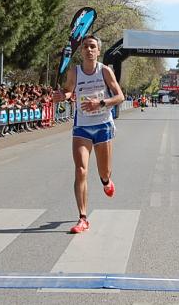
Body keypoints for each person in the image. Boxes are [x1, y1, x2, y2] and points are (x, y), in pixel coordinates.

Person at [52, 35, 125, 234]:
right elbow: (68, 91)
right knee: (81, 170)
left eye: (92, 46)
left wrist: (100, 104)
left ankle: (106, 182)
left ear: (98, 51)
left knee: (104, 172)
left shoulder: (105, 71)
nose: (89, 49)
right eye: (85, 47)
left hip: (102, 126)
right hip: (82, 127)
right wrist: (62, 96)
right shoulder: (74, 71)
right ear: (81, 51)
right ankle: (83, 218)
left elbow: (120, 96)